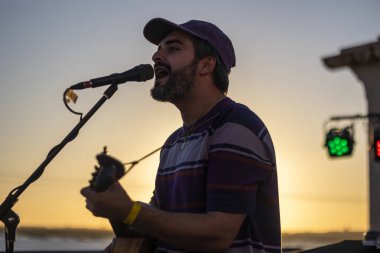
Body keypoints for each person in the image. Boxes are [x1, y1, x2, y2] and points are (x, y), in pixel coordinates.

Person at [81, 17, 281, 253]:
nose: (156, 57)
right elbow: (155, 226)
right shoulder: (172, 143)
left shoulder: (236, 127)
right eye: (157, 50)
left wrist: (130, 211)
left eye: (173, 48)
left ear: (206, 65)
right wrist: (116, 206)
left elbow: (217, 235)